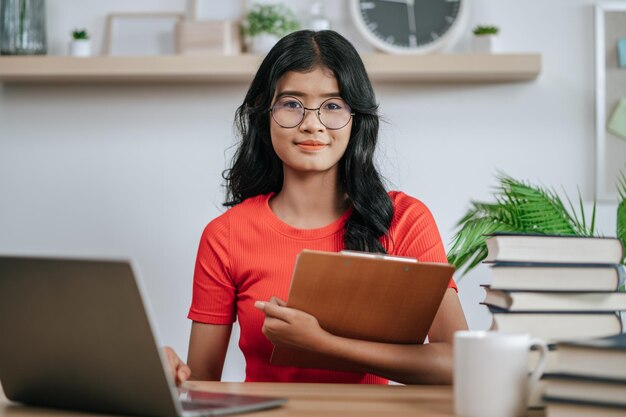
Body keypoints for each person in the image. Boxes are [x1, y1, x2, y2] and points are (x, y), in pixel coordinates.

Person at [165, 29, 468, 385]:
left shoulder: (404, 220)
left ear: (356, 118)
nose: (312, 123)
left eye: (333, 106)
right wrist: (169, 373)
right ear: (266, 113)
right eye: (292, 103)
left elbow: (459, 365)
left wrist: (323, 344)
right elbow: (201, 383)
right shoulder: (225, 235)